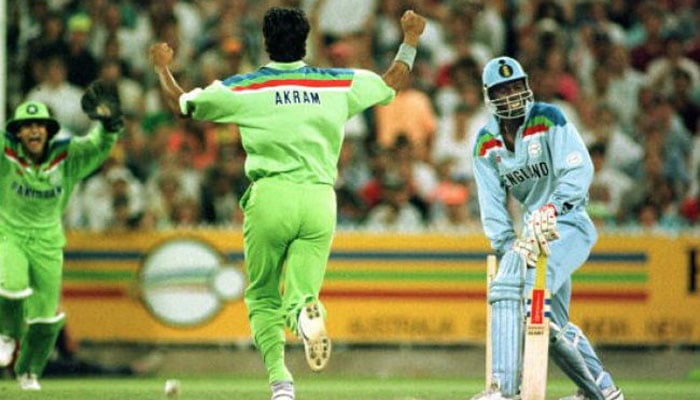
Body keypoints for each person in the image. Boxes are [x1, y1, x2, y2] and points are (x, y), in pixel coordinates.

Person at [149, 7, 426, 400]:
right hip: (319, 199)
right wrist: (411, 39)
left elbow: (182, 104)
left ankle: (281, 384)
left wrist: (162, 68)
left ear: (264, 43)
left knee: (262, 295)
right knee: (303, 294)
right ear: (306, 42)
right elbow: (392, 81)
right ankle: (304, 315)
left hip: (271, 198)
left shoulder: (245, 89)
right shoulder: (338, 84)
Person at [470, 56, 624, 400]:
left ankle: (505, 390)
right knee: (551, 321)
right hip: (531, 235)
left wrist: (552, 208)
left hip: (568, 223)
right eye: (502, 89)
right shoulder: (485, 143)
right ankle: (604, 389)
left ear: (526, 86)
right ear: (488, 95)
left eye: (516, 86)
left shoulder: (547, 118)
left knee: (531, 306)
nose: (511, 95)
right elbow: (491, 205)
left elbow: (579, 171)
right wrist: (507, 245)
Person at [0, 82, 123, 390]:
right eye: (26, 126)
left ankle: (28, 372)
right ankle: (6, 335)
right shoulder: (5, 155)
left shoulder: (66, 156)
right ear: (17, 132)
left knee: (44, 319)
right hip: (10, 235)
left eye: (39, 125)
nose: (33, 131)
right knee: (11, 288)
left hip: (49, 243)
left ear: (49, 130)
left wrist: (108, 126)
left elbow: (97, 145)